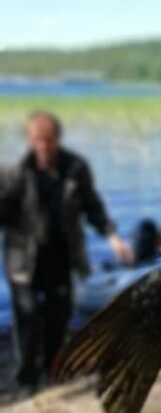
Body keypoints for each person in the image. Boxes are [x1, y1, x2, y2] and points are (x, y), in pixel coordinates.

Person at [0, 110, 133, 393]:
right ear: (29, 140)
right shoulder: (13, 173)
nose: (43, 147)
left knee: (57, 320)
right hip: (22, 260)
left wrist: (112, 237)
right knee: (29, 317)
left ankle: (51, 373)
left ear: (57, 138)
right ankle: (26, 380)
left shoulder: (76, 169)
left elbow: (92, 206)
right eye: (37, 140)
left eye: (48, 140)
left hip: (61, 257)